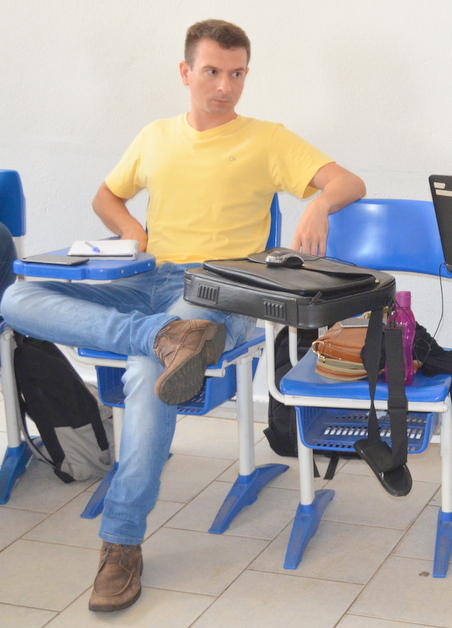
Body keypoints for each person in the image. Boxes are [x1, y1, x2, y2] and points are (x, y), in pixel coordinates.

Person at [0, 19, 364, 612]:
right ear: (185, 72)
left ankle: (121, 541)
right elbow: (106, 195)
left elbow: (348, 181)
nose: (225, 86)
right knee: (16, 299)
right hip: (148, 281)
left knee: (150, 373)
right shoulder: (156, 136)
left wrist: (320, 202)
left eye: (237, 74)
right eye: (212, 71)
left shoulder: (267, 138)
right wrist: (132, 229)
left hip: (221, 289)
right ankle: (163, 335)